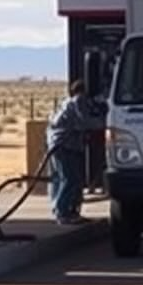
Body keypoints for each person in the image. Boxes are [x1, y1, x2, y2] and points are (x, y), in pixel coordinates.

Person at [45, 79, 107, 224]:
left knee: (70, 178)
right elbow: (84, 121)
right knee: (70, 178)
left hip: (65, 144)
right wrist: (105, 122)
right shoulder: (78, 100)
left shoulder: (68, 102)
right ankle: (63, 212)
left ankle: (71, 211)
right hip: (64, 145)